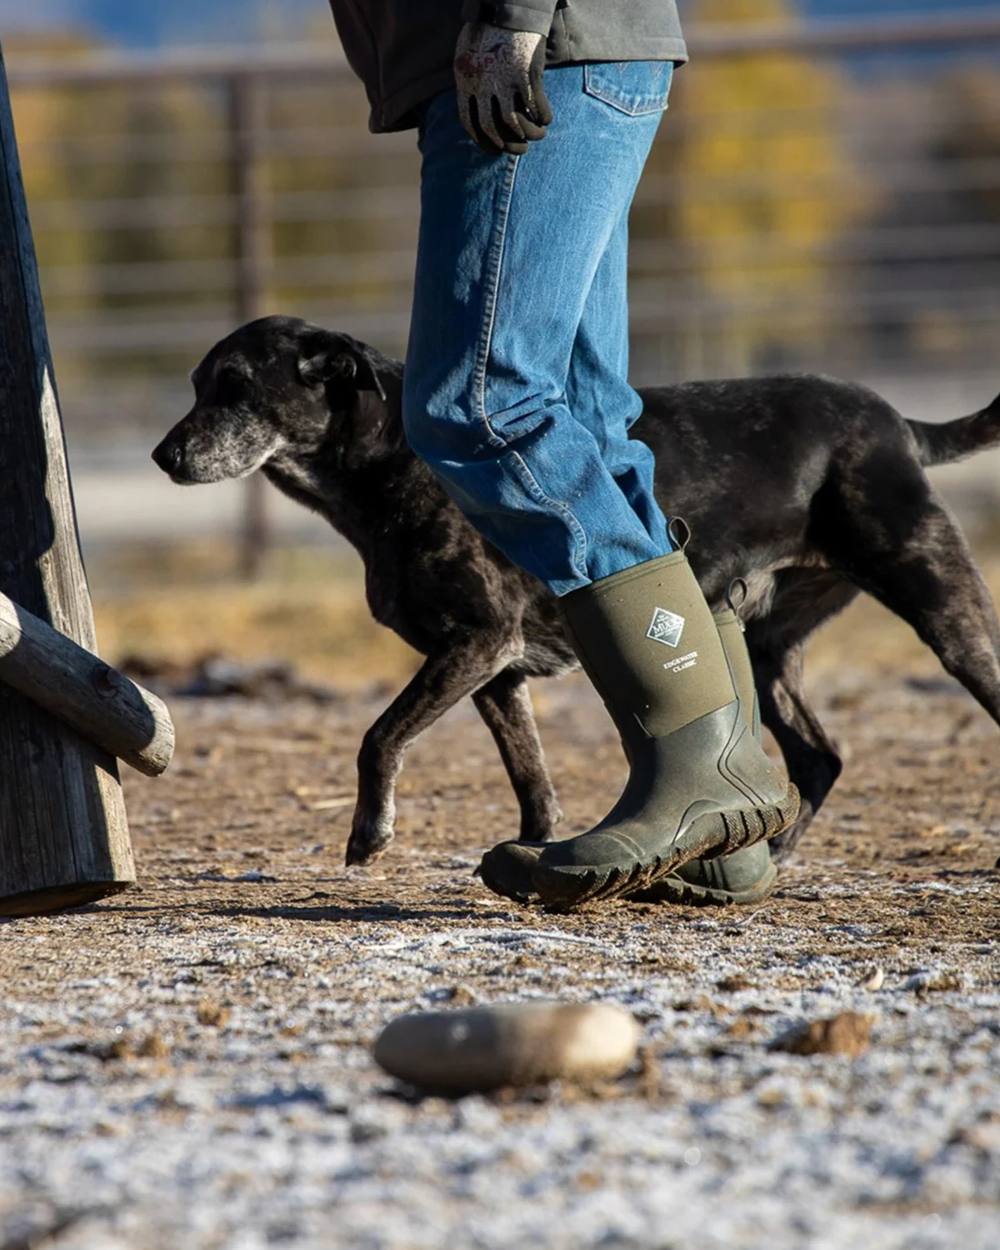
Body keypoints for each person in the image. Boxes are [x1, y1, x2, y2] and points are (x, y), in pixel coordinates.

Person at [326, 1, 798, 909]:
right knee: (582, 413)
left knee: (479, 401)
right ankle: (726, 795)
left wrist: (513, 14)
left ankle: (698, 765)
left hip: (531, 51)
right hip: (565, 53)